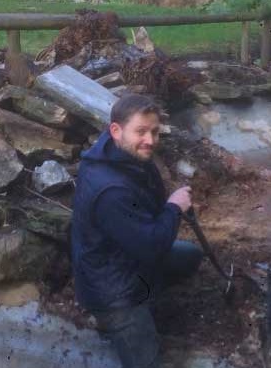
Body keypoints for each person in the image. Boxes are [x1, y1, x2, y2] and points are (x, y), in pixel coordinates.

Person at [71, 94, 203, 367]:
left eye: (154, 131)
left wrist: (168, 210)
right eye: (141, 131)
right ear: (116, 130)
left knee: (190, 255)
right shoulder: (110, 190)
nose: (151, 140)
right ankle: (118, 322)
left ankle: (155, 295)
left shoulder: (117, 154)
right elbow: (153, 247)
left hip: (128, 256)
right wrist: (174, 207)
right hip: (114, 291)